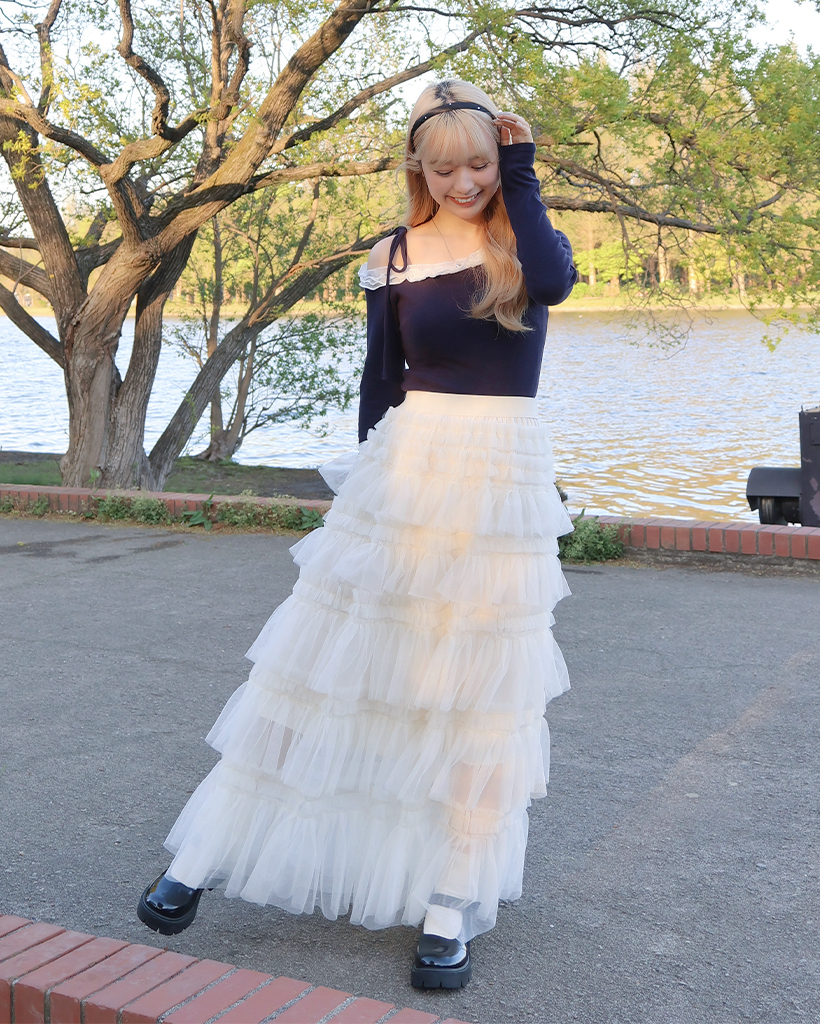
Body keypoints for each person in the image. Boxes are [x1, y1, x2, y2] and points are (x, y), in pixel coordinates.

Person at [138, 78, 578, 991]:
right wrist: (361, 493)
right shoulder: (391, 255)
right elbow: (381, 380)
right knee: (323, 667)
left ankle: (451, 901)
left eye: (480, 164)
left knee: (482, 692)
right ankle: (202, 858)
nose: (465, 183)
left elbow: (554, 284)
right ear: (419, 169)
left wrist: (524, 170)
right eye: (445, 169)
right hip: (405, 468)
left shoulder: (522, 239)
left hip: (499, 483)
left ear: (501, 159)